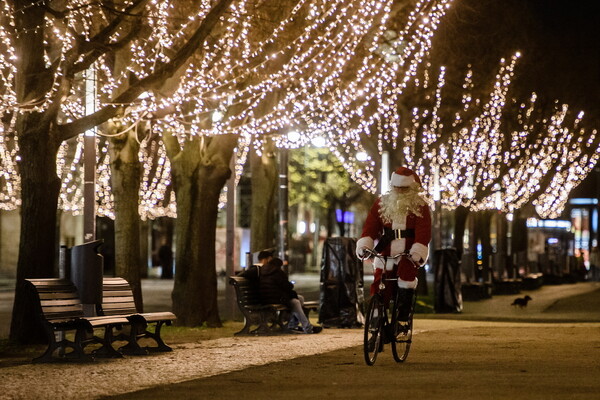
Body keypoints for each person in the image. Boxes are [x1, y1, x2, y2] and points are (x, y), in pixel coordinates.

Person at [356, 166, 432, 322]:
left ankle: (402, 317)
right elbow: (371, 226)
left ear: (412, 188)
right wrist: (365, 244)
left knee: (406, 278)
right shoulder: (381, 203)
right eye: (396, 188)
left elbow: (423, 231)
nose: (399, 192)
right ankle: (376, 319)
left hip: (409, 251)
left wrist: (417, 251)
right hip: (386, 249)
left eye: (403, 189)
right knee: (380, 282)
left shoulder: (421, 206)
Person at [259, 257, 322, 334]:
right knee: (295, 302)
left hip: (268, 298)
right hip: (276, 299)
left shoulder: (264, 271)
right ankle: (307, 327)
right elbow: (287, 287)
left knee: (300, 298)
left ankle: (292, 325)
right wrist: (291, 285)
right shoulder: (277, 272)